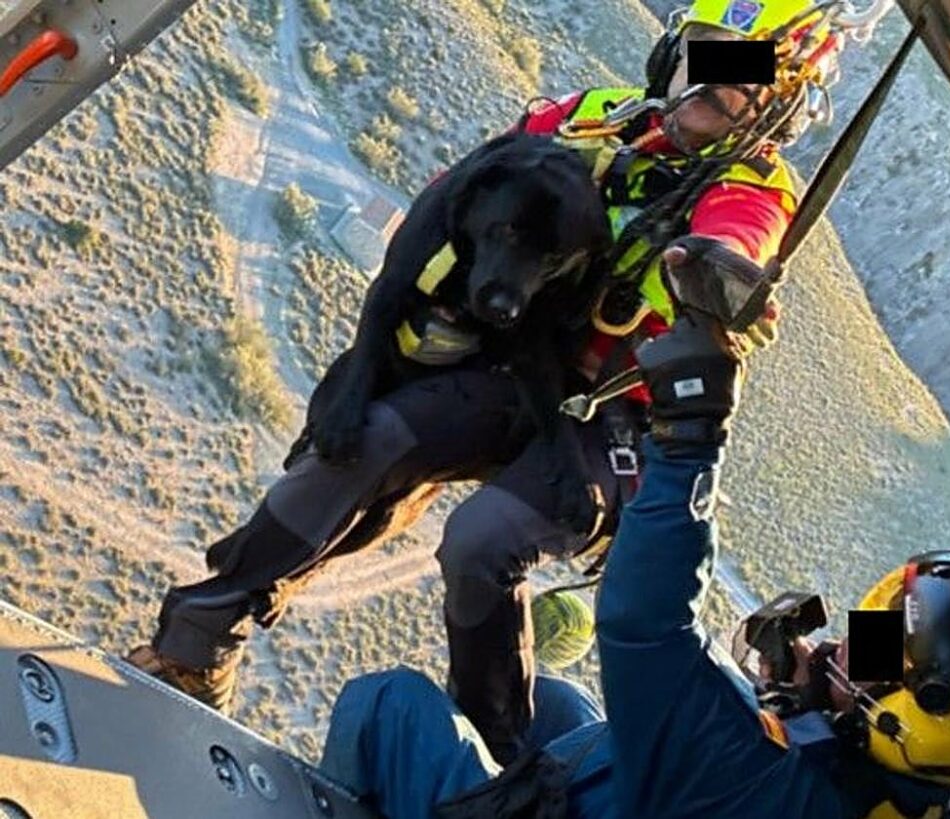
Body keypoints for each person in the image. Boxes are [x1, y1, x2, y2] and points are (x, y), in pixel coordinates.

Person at [127, 0, 845, 766]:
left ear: (780, 107)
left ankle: (493, 759)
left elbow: (738, 237)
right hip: (518, 370)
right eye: (712, 56)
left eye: (747, 80)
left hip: (617, 423)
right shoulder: (595, 119)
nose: (717, 87)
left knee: (482, 540)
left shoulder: (754, 187)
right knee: (364, 439)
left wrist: (717, 273)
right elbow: (462, 188)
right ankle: (196, 646)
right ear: (675, 50)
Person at [317, 313, 950, 819]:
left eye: (875, 656)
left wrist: (687, 442)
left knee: (390, 704)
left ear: (921, 722)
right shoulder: (900, 791)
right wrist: (799, 698)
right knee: (549, 703)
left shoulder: (756, 777)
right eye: (867, 629)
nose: (845, 648)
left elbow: (643, 622)